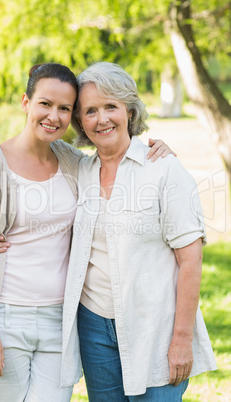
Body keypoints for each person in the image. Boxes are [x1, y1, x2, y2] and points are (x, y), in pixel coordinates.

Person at [0, 62, 171, 402]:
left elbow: (114, 155)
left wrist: (154, 148)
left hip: (61, 321)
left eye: (65, 109)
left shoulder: (72, 161)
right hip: (6, 317)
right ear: (26, 102)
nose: (54, 116)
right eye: (45, 103)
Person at [59, 62, 217, 401]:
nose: (102, 119)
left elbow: (191, 260)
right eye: (90, 111)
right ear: (80, 121)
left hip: (154, 326)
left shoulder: (162, 168)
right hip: (94, 327)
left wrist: (181, 338)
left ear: (129, 110)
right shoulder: (78, 170)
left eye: (110, 107)